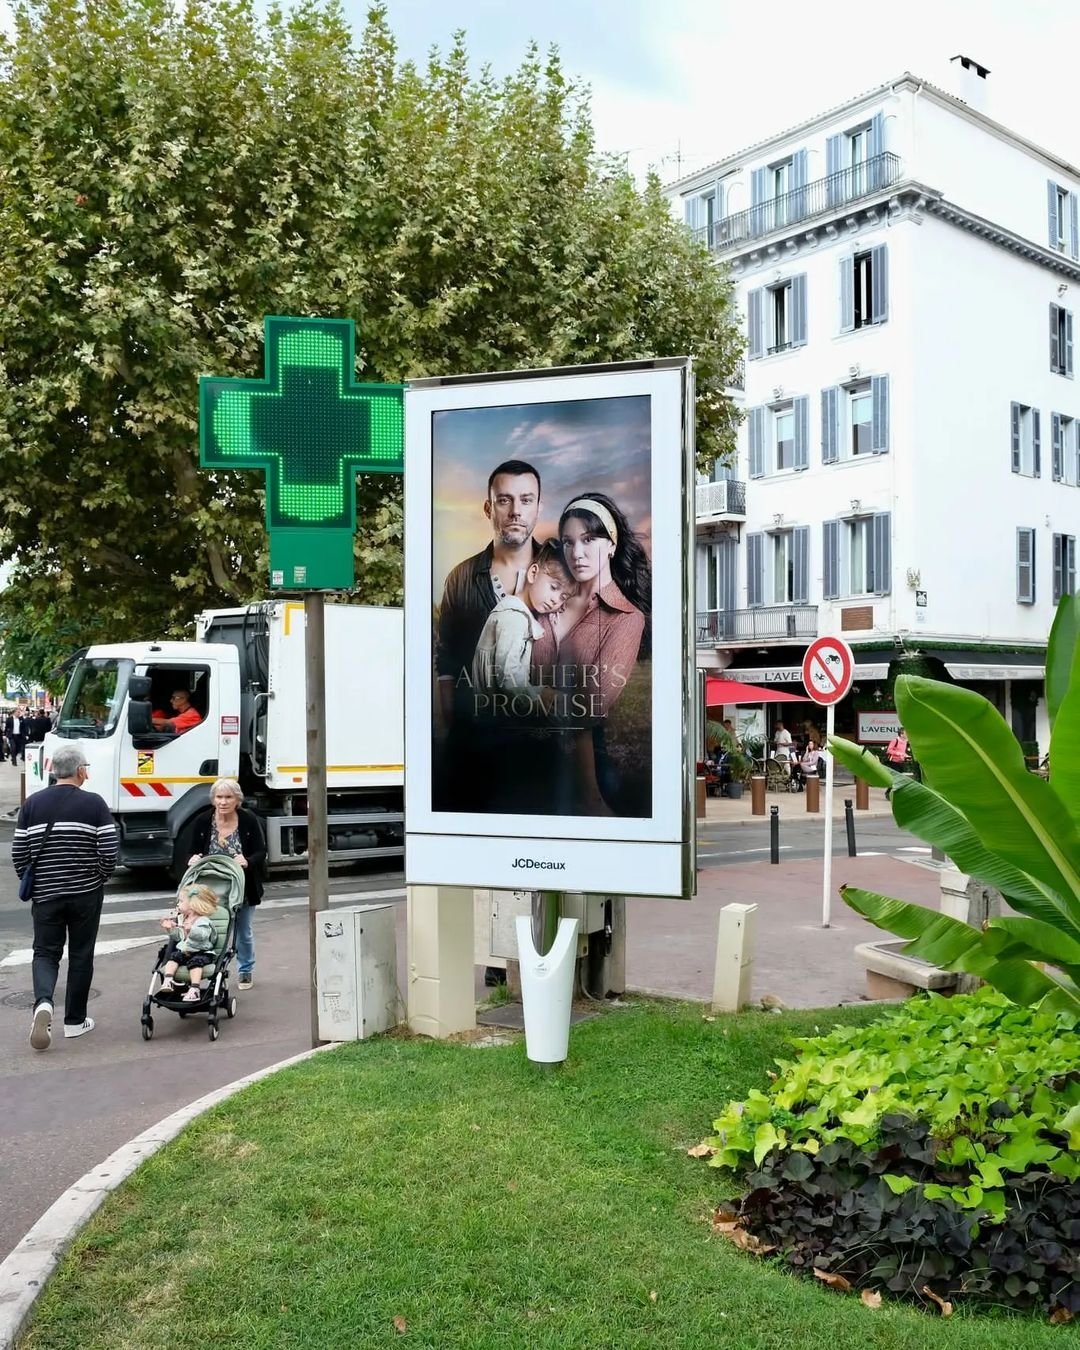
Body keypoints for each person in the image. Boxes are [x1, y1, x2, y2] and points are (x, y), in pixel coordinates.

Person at [531, 492, 650, 815]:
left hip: (585, 771)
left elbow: (589, 707)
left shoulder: (626, 618)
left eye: (588, 540)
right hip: (523, 759)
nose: (577, 553)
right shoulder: (546, 599)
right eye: (568, 542)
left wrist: (529, 693)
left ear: (612, 544)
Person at [434, 459, 543, 810]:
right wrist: (453, 730)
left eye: (526, 500)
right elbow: (446, 659)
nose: (516, 511)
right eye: (504, 500)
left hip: (543, 745)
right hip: (476, 745)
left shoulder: (563, 572)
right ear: (488, 508)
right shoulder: (460, 577)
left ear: (539, 508)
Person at [14, 743, 118, 1049]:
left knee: (45, 952)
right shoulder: (94, 804)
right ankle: (74, 1021)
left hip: (46, 895)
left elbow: (19, 853)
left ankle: (44, 1002)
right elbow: (109, 850)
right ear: (81, 771)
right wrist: (99, 876)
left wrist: (36, 881)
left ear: (51, 770)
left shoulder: (32, 804)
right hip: (86, 893)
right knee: (81, 953)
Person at [470, 540, 576, 708]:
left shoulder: (519, 612)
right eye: (554, 587)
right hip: (494, 714)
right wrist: (542, 694)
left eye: (564, 597)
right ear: (533, 573)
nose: (555, 600)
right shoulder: (514, 617)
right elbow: (508, 677)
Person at [185, 778, 265, 990]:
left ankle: (245, 970)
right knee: (211, 929)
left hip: (242, 886)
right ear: (213, 799)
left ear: (237, 799)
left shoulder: (248, 819)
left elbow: (261, 852)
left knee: (243, 932)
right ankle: (210, 968)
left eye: (228, 797)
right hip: (211, 888)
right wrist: (192, 858)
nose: (223, 802)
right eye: (219, 797)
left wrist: (247, 861)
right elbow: (191, 850)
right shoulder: (203, 820)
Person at [157, 886, 219, 1001]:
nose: (178, 904)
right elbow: (179, 937)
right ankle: (168, 980)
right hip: (186, 951)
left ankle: (195, 989)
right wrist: (170, 929)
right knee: (173, 957)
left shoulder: (202, 920)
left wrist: (192, 929)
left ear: (192, 904)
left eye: (181, 901)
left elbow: (203, 935)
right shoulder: (182, 918)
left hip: (201, 952)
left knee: (195, 963)